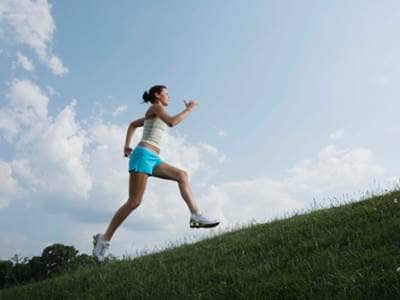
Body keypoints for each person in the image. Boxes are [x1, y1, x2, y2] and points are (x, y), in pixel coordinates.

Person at [92, 85, 220, 262]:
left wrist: (126, 145)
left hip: (152, 157)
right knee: (134, 202)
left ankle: (196, 215)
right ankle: (103, 239)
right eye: (166, 94)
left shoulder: (155, 112)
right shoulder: (156, 107)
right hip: (143, 156)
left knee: (182, 175)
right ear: (157, 95)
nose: (169, 97)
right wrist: (189, 109)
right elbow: (172, 122)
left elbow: (132, 125)